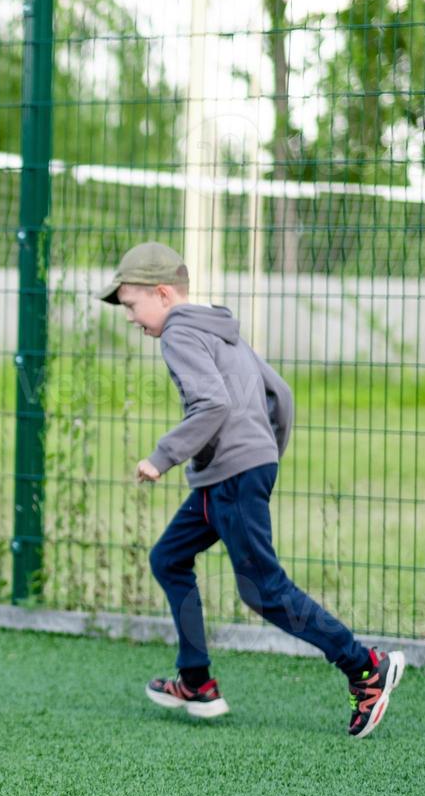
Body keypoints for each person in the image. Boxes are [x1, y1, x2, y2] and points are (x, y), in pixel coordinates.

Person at [98, 242, 404, 738]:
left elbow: (212, 405)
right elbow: (279, 394)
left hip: (231, 474)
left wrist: (162, 457)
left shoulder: (177, 333)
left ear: (161, 293)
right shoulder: (220, 328)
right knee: (168, 558)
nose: (131, 317)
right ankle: (196, 680)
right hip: (231, 472)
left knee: (264, 590)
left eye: (131, 305)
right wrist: (264, 452)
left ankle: (366, 667)